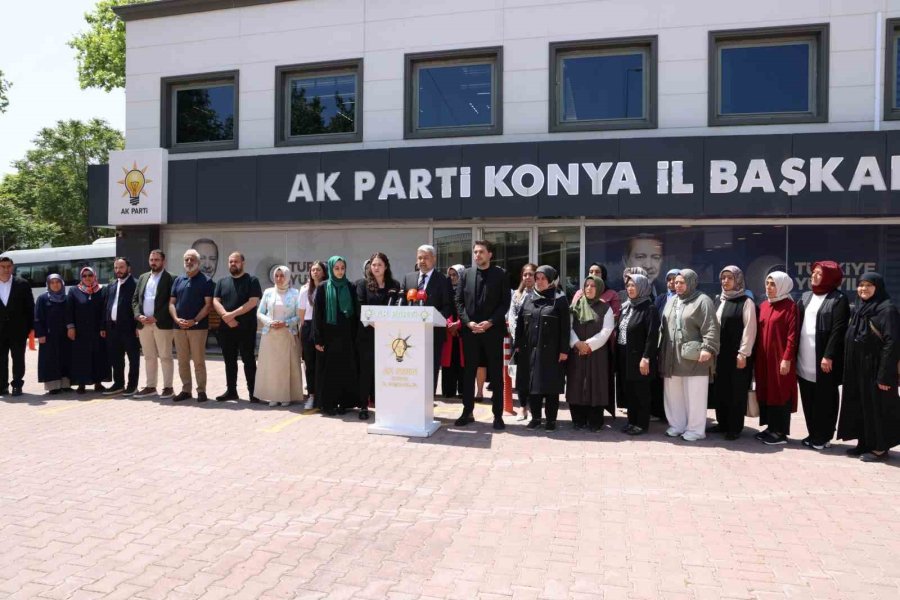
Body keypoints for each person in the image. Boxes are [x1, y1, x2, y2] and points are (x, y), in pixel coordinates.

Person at [838, 273, 900, 462]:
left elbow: (892, 343)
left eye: (868, 286)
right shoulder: (860, 307)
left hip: (876, 369)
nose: (863, 289)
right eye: (860, 285)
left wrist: (884, 375)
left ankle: (880, 448)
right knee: (860, 405)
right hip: (858, 369)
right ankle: (864, 442)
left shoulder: (886, 310)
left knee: (878, 408)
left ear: (878, 288)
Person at [455, 240, 511, 430]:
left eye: (481, 252)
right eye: (475, 252)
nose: (477, 255)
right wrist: (468, 322)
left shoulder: (500, 275)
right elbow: (459, 301)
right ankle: (467, 411)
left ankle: (497, 415)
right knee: (468, 373)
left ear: (490, 255)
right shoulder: (465, 274)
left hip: (492, 332)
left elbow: (505, 303)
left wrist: (490, 322)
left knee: (496, 374)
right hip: (471, 332)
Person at [659, 269, 720, 441]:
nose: (677, 285)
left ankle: (695, 430)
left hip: (695, 357)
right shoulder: (672, 301)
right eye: (675, 282)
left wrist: (707, 348)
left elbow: (711, 327)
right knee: (673, 392)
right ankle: (677, 425)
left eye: (681, 282)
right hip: (672, 355)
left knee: (694, 394)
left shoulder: (703, 301)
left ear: (692, 283)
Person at [797, 261, 849, 450]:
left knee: (825, 399)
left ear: (830, 277)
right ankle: (813, 433)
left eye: (819, 273)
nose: (814, 276)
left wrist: (828, 355)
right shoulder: (805, 296)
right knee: (808, 397)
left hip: (823, 359)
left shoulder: (838, 299)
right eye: (813, 272)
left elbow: (838, 330)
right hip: (804, 356)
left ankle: (824, 436)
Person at [514, 265, 569, 432]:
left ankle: (551, 420)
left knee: (551, 387)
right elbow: (520, 326)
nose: (539, 281)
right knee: (533, 386)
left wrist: (564, 350)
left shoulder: (559, 300)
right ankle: (536, 418)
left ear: (551, 280)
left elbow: (565, 327)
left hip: (552, 352)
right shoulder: (528, 298)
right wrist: (518, 345)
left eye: (543, 278)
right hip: (530, 351)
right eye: (537, 278)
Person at [708, 266, 757, 440]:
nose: (725, 281)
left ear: (738, 280)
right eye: (723, 278)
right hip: (721, 354)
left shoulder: (746, 301)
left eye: (730, 278)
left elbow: (749, 329)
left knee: (736, 390)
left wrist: (743, 353)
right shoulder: (719, 300)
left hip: (737, 355)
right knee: (721, 389)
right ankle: (722, 423)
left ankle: (734, 427)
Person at [755, 271, 798, 446]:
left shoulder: (790, 306)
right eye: (767, 283)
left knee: (780, 391)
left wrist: (786, 358)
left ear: (782, 285)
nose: (769, 287)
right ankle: (770, 427)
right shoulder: (764, 305)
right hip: (763, 359)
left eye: (773, 284)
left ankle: (780, 432)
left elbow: (792, 336)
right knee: (766, 390)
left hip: (780, 359)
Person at [401, 245, 453, 390]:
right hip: (410, 334)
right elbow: (403, 304)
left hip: (433, 333)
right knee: (411, 366)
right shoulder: (408, 278)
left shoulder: (443, 280)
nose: (422, 261)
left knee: (430, 368)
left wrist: (434, 319)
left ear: (434, 259)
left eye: (426, 258)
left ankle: (429, 399)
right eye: (420, 258)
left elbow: (448, 306)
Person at [313, 256, 360, 416]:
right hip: (328, 337)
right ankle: (328, 404)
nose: (340, 271)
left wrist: (355, 336)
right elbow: (317, 314)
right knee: (329, 371)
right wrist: (318, 338)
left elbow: (355, 314)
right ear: (331, 269)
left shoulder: (351, 286)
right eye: (336, 268)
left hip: (346, 336)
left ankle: (344, 403)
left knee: (345, 369)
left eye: (342, 268)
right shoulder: (322, 287)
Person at [568, 274, 615, 432]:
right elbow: (569, 327)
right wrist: (577, 343)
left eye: (593, 286)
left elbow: (606, 330)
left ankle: (595, 420)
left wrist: (588, 345)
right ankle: (578, 420)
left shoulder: (605, 308)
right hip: (577, 352)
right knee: (577, 384)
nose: (589, 288)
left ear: (600, 288)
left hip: (597, 353)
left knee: (596, 384)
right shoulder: (575, 306)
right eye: (586, 285)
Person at [213, 252, 262, 402]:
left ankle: (253, 392)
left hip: (246, 328)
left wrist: (231, 315)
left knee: (248, 360)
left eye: (236, 261)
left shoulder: (252, 280)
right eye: (230, 262)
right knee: (229, 361)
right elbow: (216, 301)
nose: (233, 264)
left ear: (243, 263)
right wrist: (226, 318)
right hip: (226, 328)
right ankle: (231, 391)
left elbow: (253, 302)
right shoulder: (222, 282)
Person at [614, 274, 660, 435]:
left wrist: (646, 357)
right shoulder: (627, 306)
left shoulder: (649, 308)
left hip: (640, 357)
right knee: (629, 391)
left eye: (634, 285)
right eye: (628, 286)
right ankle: (631, 421)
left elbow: (652, 336)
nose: (630, 289)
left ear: (642, 287)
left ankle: (641, 424)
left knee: (641, 392)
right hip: (624, 355)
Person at [357, 252, 401, 418]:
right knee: (366, 370)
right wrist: (378, 324)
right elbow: (361, 307)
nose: (376, 268)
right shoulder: (362, 284)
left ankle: (385, 404)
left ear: (386, 267)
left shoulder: (394, 284)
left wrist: (385, 326)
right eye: (373, 265)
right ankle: (363, 406)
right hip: (367, 335)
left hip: (388, 337)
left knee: (386, 371)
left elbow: (398, 307)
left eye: (379, 265)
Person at [169, 249, 215, 402]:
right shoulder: (178, 280)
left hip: (198, 327)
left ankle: (201, 391)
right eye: (187, 259)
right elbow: (171, 303)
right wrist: (176, 319)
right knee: (182, 360)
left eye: (192, 260)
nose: (189, 262)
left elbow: (208, 305)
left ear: (198, 262)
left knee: (198, 361)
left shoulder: (206, 281)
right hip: (179, 327)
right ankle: (186, 390)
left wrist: (194, 320)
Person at [255, 266, 303, 407]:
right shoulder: (268, 292)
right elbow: (260, 312)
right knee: (272, 366)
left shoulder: (295, 293)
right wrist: (270, 322)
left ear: (287, 277)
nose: (279, 278)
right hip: (270, 334)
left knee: (285, 367)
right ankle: (273, 396)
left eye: (282, 276)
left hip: (287, 334)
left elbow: (298, 315)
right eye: (277, 276)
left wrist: (286, 323)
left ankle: (286, 396)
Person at [132, 249, 176, 400]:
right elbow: (135, 299)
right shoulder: (143, 277)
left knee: (165, 356)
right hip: (144, 324)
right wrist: (138, 315)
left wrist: (156, 317)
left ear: (163, 261)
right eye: (151, 260)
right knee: (149, 356)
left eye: (157, 260)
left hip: (161, 323)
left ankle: (168, 387)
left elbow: (170, 302)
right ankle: (150, 386)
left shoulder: (171, 278)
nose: (153, 262)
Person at [66, 267, 110, 394]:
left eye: (90, 275)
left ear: (95, 276)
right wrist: (70, 327)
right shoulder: (74, 291)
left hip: (97, 331)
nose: (87, 278)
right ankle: (81, 384)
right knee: (81, 357)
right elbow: (69, 311)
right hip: (80, 331)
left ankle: (98, 382)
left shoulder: (102, 290)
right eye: (84, 276)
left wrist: (103, 327)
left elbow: (105, 310)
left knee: (98, 355)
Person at [103, 258, 140, 396]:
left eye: (121, 267)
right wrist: (103, 326)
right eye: (116, 268)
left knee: (133, 359)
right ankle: (118, 384)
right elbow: (106, 306)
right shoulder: (111, 285)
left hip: (130, 328)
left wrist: (138, 326)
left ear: (128, 268)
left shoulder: (136, 284)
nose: (118, 270)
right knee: (116, 358)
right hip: (112, 328)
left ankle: (132, 386)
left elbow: (139, 306)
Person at [0, 256, 34, 397]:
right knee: (1, 360)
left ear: (12, 267)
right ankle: (2, 386)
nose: (6, 269)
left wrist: (31, 328)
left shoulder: (23, 284)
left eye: (9, 266)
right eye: (3, 267)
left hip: (18, 330)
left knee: (18, 358)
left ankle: (17, 385)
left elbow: (30, 307)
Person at [507, 263, 537, 420]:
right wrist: (516, 335)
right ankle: (522, 407)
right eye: (525, 274)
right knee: (521, 376)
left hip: (535, 341)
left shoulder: (540, 294)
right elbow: (511, 316)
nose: (527, 277)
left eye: (531, 274)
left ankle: (533, 408)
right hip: (520, 341)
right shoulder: (517, 295)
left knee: (534, 374)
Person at [34, 274, 71, 394]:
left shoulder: (66, 298)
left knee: (65, 359)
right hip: (49, 336)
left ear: (62, 283)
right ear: (48, 284)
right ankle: (53, 386)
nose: (55, 285)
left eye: (58, 282)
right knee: (50, 360)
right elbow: (37, 318)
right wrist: (40, 334)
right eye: (52, 282)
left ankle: (66, 384)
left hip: (65, 336)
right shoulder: (43, 298)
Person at [652, 269, 680, 422]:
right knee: (661, 378)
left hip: (678, 346)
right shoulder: (661, 299)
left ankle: (676, 413)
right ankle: (660, 412)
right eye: (669, 279)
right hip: (662, 345)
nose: (671, 283)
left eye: (675, 279)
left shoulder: (686, 299)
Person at [299, 261, 325, 409]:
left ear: (323, 272)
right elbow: (301, 315)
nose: (315, 272)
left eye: (318, 269)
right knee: (310, 363)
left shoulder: (327, 287)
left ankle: (323, 396)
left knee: (322, 363)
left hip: (323, 328)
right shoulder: (304, 290)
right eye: (313, 270)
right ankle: (312, 396)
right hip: (309, 327)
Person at [441, 264, 466, 400]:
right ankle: (448, 390)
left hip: (463, 331)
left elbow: (470, 310)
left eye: (455, 275)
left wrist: (459, 324)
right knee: (448, 362)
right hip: (448, 331)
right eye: (449, 275)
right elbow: (443, 308)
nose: (452, 278)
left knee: (462, 362)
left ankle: (463, 390)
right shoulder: (445, 290)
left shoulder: (467, 290)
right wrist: (450, 324)